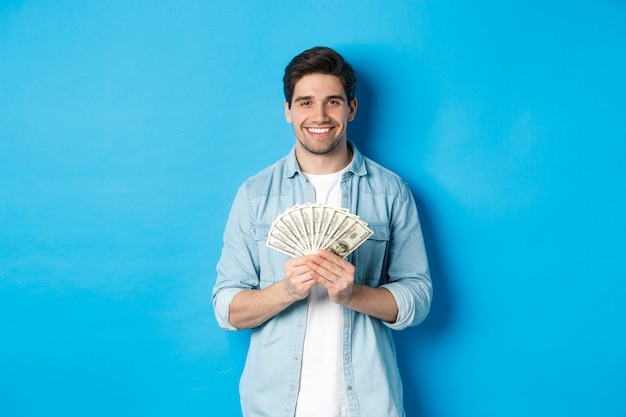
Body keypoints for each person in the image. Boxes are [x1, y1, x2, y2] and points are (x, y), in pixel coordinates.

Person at [212, 46, 432, 417]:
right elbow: (226, 308)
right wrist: (286, 291)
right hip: (273, 405)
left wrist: (354, 293)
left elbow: (418, 297)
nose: (319, 115)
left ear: (352, 109)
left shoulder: (391, 192)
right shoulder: (254, 195)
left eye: (332, 101)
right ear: (287, 111)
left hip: (367, 403)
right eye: (305, 102)